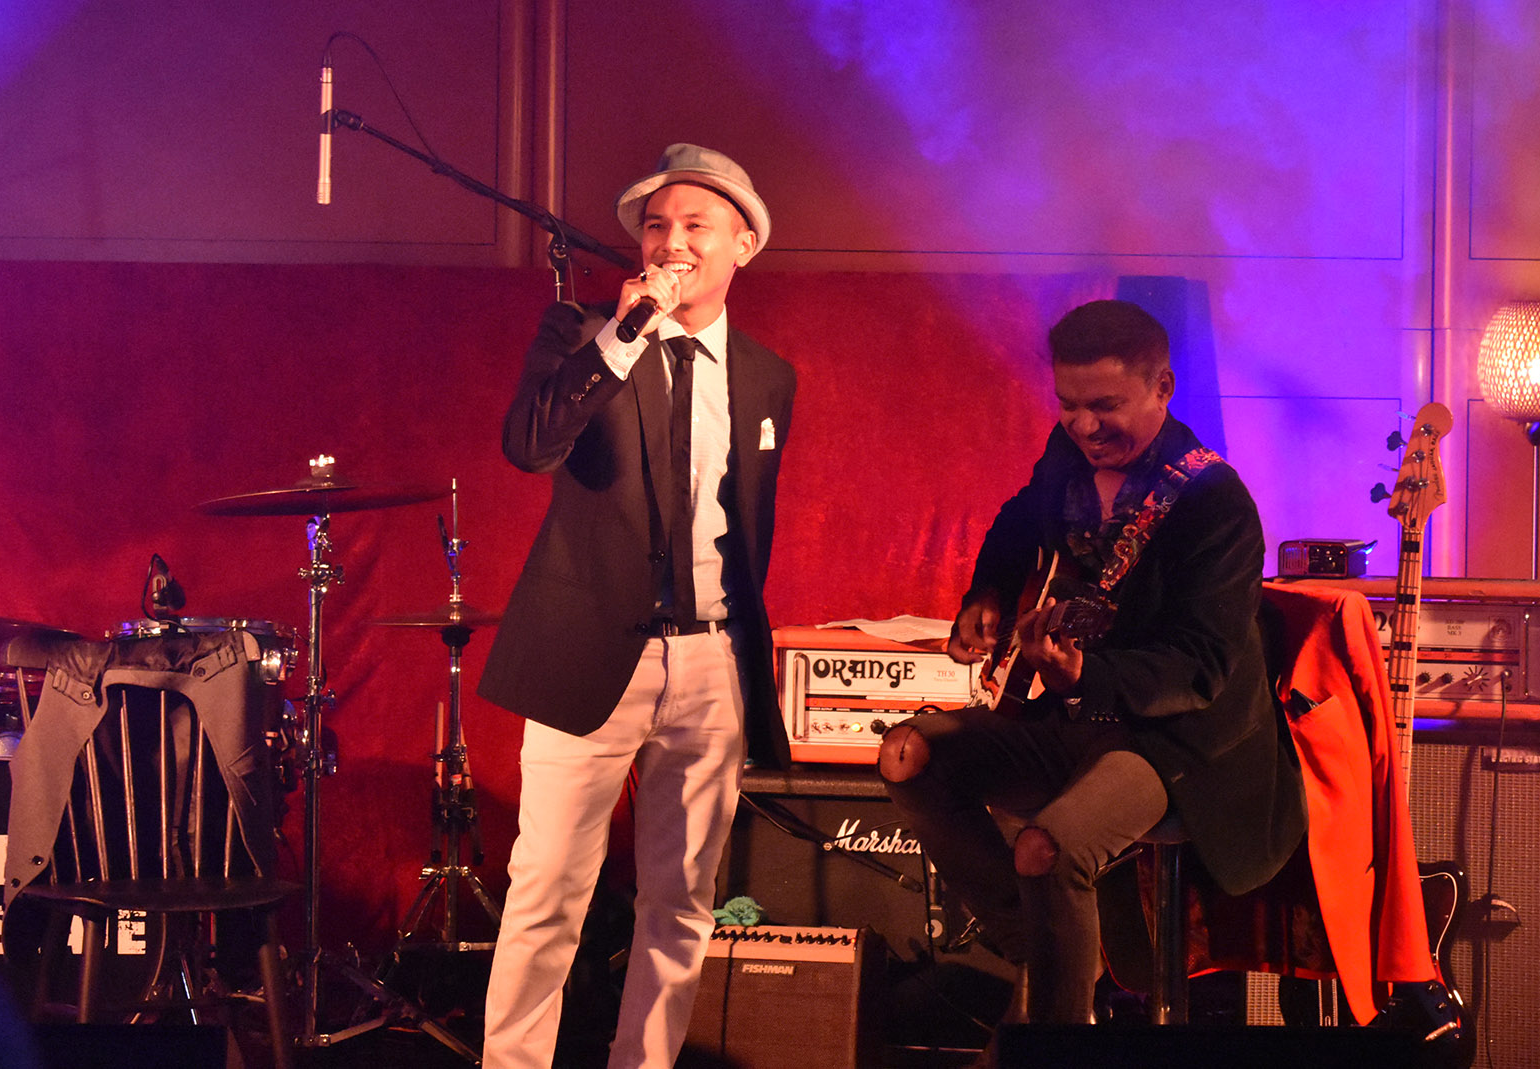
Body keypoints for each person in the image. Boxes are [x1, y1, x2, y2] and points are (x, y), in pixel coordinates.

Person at [879, 299, 1306, 1028]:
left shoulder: (1214, 502)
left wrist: (1085, 674)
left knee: (1051, 846)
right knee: (907, 755)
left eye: (1105, 405)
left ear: (1163, 387)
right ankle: (1045, 940)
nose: (1083, 426)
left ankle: (1063, 1036)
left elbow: (1201, 667)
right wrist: (985, 590)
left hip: (1180, 743)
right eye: (1069, 405)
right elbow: (1021, 518)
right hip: (1083, 716)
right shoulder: (1066, 456)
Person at [478, 143, 796, 1069]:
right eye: (657, 225)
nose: (671, 241)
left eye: (695, 224)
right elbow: (530, 445)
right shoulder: (581, 334)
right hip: (589, 650)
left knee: (683, 898)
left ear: (744, 243)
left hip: (711, 660)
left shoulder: (770, 375)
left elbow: (749, 529)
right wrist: (624, 336)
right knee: (546, 892)